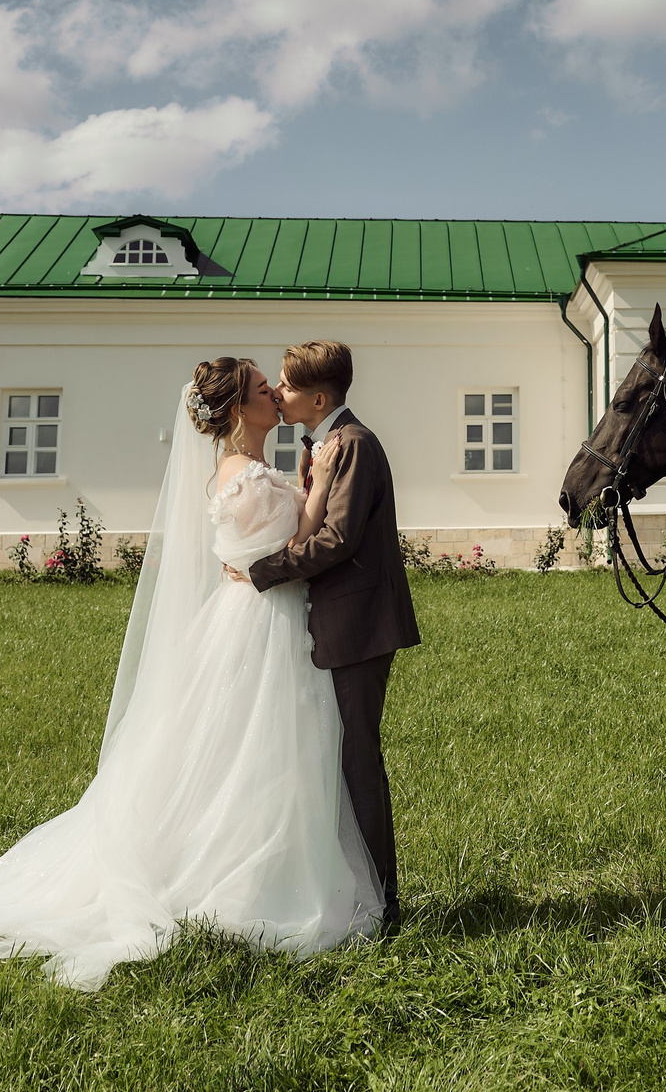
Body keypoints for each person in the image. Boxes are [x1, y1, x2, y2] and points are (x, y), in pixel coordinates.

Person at [0, 357, 385, 989]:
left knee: (265, 754)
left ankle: (275, 861)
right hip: (263, 623)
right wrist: (311, 490)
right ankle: (245, 878)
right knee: (258, 749)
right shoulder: (245, 480)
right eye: (265, 389)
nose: (277, 396)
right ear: (239, 410)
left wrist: (308, 482)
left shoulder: (253, 471)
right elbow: (294, 545)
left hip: (271, 619)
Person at [230, 340, 422, 931]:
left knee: (358, 757)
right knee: (334, 755)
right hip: (331, 618)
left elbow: (338, 539)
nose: (277, 395)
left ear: (317, 397)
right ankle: (347, 886)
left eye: (285, 386)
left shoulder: (356, 445)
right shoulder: (321, 443)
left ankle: (385, 903)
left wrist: (262, 571)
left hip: (360, 623)